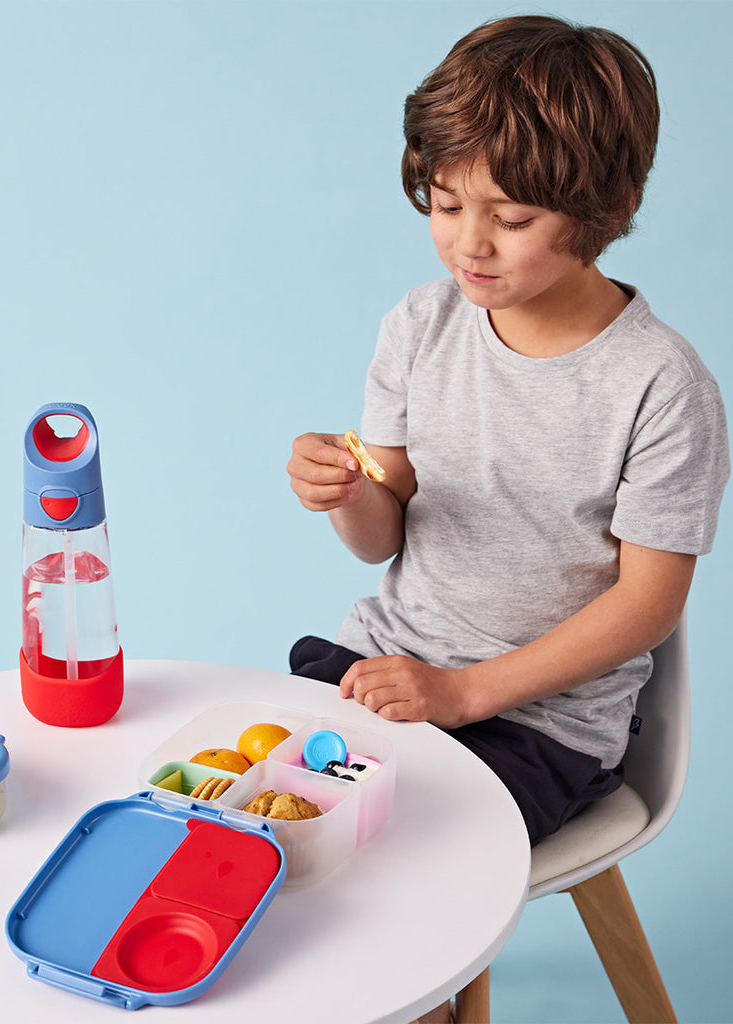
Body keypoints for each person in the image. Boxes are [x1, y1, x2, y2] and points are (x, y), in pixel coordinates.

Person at [287, 15, 730, 855]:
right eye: (447, 204)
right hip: (389, 665)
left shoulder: (663, 387)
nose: (470, 243)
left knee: (399, 854)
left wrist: (461, 695)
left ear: (609, 207)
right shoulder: (419, 325)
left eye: (513, 219)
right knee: (268, 812)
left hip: (543, 726)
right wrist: (346, 493)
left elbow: (648, 606)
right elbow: (382, 537)